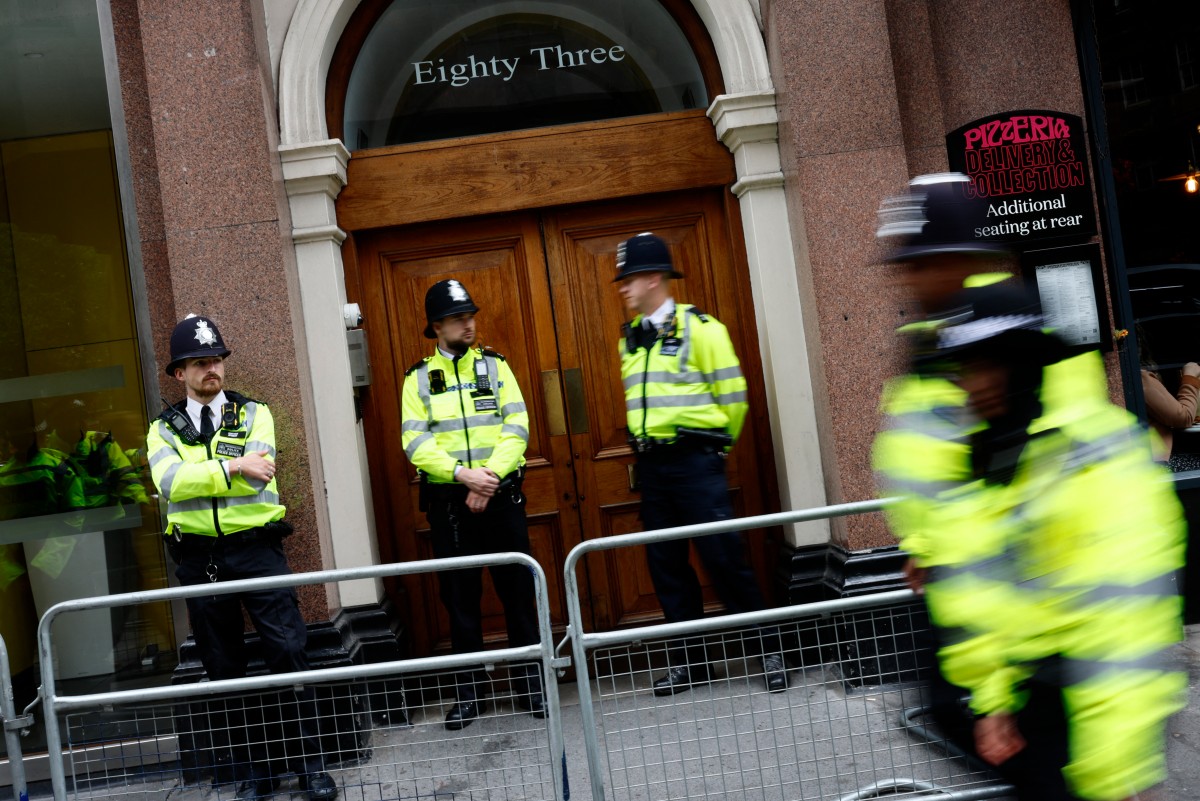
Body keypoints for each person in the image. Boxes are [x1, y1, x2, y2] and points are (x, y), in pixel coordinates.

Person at [930, 285, 1186, 801]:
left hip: (1101, 731)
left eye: (981, 365)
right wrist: (994, 700)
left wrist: (1109, 772)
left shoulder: (1090, 459)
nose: (968, 384)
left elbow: (1124, 629)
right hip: (1042, 712)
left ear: (1016, 364)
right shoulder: (1002, 455)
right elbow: (995, 594)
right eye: (963, 368)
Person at [146, 315, 337, 801]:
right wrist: (232, 463)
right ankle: (256, 771)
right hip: (199, 558)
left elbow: (260, 473)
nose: (213, 369)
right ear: (179, 374)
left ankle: (311, 764)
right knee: (223, 666)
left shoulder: (255, 414)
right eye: (201, 363)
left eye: (217, 361)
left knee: (289, 651)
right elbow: (170, 484)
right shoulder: (162, 430)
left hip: (256, 550)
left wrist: (215, 471)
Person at [613, 232, 787, 696]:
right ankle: (691, 662)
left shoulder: (702, 329)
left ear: (653, 279)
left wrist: (717, 449)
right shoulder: (629, 342)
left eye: (628, 279)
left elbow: (734, 396)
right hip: (653, 468)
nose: (623, 288)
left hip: (695, 462)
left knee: (724, 559)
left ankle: (770, 649)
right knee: (667, 567)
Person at [400, 279, 544, 730]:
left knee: (518, 593)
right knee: (460, 600)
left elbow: (516, 425)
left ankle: (531, 685)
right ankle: (470, 692)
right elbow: (414, 441)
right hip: (449, 504)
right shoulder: (418, 378)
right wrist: (463, 475)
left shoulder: (497, 366)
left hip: (500, 498)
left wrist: (489, 479)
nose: (469, 323)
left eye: (471, 315)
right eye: (460, 317)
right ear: (437, 326)